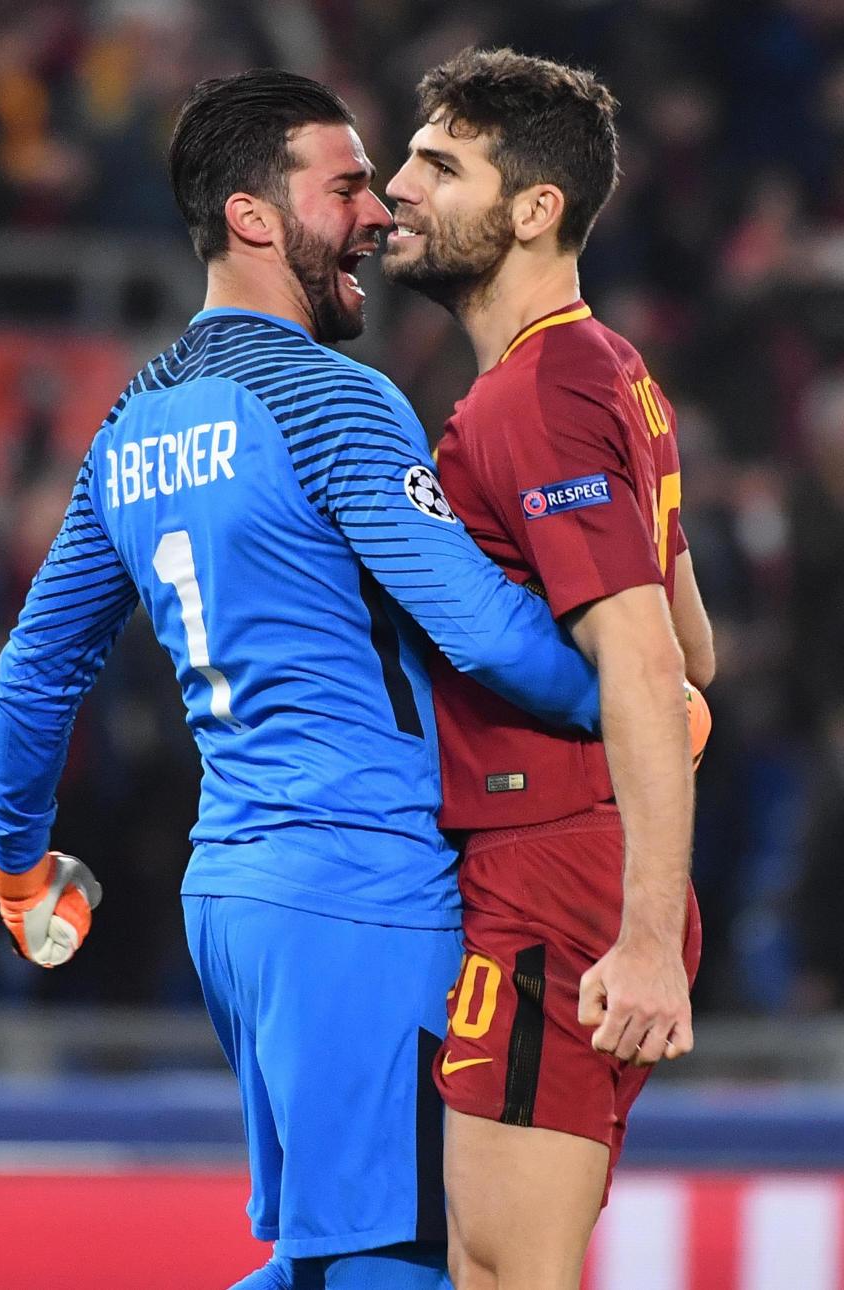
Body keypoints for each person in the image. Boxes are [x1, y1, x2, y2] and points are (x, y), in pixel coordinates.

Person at [0, 69, 601, 1290]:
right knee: (403, 1261)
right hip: (360, 891)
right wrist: (633, 704)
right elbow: (478, 627)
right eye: (348, 184)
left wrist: (18, 863)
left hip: (239, 902)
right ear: (256, 217)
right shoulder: (328, 400)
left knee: (349, 1252)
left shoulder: (130, 424)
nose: (380, 211)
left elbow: (34, 669)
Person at [383, 48, 715, 1290]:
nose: (401, 187)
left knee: (509, 1271)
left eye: (440, 164)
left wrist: (638, 939)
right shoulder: (610, 370)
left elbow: (644, 667)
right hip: (574, 864)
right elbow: (695, 654)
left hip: (560, 876)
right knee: (492, 1264)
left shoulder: (537, 396)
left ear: (536, 209)